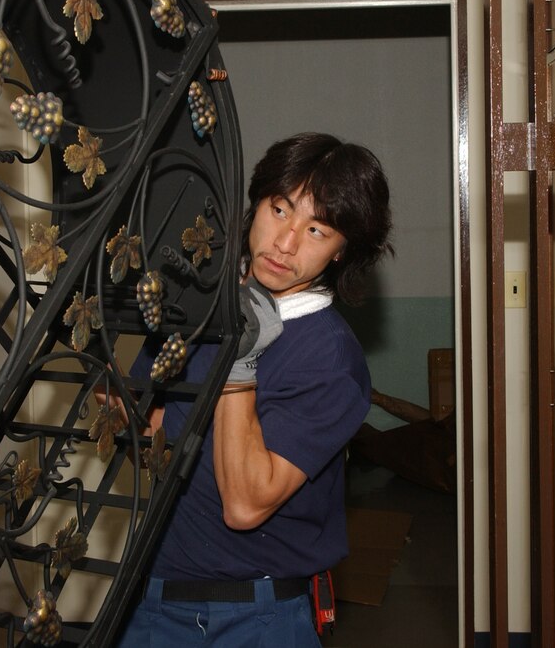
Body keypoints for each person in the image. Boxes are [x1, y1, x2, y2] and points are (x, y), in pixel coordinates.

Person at [116, 131, 394, 646]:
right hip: (151, 599)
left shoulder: (331, 357)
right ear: (257, 202)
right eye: (280, 209)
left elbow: (244, 507)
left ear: (340, 253)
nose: (285, 243)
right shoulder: (197, 307)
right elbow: (149, 438)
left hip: (256, 615)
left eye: (317, 230)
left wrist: (239, 365)